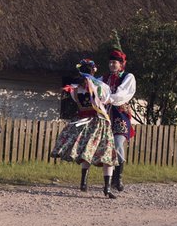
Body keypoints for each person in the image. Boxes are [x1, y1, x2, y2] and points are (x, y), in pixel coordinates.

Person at [50, 59, 119, 198]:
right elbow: (106, 100)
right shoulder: (102, 87)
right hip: (99, 123)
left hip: (82, 122)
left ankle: (83, 182)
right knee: (107, 153)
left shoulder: (75, 88)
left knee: (87, 151)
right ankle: (107, 188)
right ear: (94, 70)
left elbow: (77, 101)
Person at [99, 49, 137, 192]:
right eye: (110, 62)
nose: (111, 65)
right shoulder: (104, 78)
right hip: (106, 115)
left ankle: (118, 178)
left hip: (120, 114)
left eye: (114, 62)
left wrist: (109, 98)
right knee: (108, 146)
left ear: (121, 64)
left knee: (118, 143)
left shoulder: (128, 77)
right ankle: (111, 178)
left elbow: (122, 94)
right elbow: (95, 86)